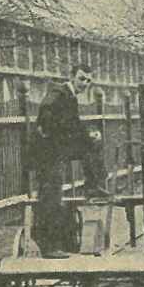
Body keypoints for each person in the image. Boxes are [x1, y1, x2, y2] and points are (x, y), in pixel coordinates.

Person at [31, 64, 105, 257]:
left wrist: (88, 136)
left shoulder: (70, 97)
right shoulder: (58, 93)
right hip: (48, 153)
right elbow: (46, 118)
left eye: (89, 81)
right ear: (71, 77)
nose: (85, 83)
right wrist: (62, 136)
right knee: (51, 196)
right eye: (82, 78)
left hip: (59, 148)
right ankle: (49, 247)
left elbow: (74, 124)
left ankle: (93, 185)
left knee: (92, 147)